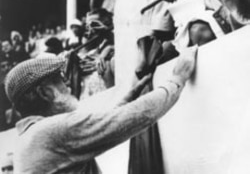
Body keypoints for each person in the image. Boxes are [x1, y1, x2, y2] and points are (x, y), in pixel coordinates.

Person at [5, 46, 197, 173]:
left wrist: (129, 97)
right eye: (60, 79)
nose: (68, 83)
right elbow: (130, 119)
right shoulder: (50, 131)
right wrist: (176, 80)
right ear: (45, 93)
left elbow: (104, 124)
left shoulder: (31, 135)